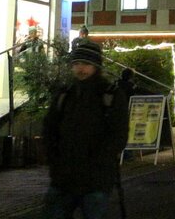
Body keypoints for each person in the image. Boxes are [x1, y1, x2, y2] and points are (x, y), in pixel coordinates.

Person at [44, 41, 128, 219]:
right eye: (76, 64)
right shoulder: (65, 94)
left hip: (95, 180)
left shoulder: (110, 95)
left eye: (86, 64)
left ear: (96, 66)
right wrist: (55, 162)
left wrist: (98, 162)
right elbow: (50, 129)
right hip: (63, 178)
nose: (80, 69)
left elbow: (118, 136)